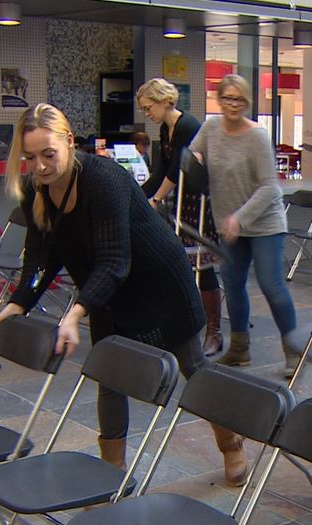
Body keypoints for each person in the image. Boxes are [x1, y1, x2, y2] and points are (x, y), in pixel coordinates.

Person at [0, 103, 249, 486]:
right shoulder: (37, 190)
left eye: (49, 154)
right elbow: (40, 260)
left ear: (68, 142)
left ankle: (231, 443)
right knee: (109, 375)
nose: (41, 166)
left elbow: (115, 260)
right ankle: (111, 470)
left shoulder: (103, 179)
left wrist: (75, 313)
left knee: (193, 367)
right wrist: (17, 303)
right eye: (30, 158)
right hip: (109, 292)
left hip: (160, 283)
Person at [189, 74, 299, 377]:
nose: (233, 104)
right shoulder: (211, 128)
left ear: (247, 101)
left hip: (264, 222)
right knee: (233, 286)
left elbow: (269, 187)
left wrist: (240, 217)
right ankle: (239, 350)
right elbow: (195, 153)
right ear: (219, 100)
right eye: (228, 98)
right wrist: (193, 160)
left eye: (239, 99)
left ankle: (294, 351)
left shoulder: (257, 137)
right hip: (228, 224)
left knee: (271, 284)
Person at [136, 78, 224, 357]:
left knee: (202, 264)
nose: (147, 114)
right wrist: (137, 195)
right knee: (181, 263)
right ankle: (184, 322)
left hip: (201, 204)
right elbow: (160, 172)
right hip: (183, 204)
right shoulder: (166, 128)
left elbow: (177, 171)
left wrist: (156, 199)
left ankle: (214, 331)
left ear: (164, 101)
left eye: (149, 107)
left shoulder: (187, 126)